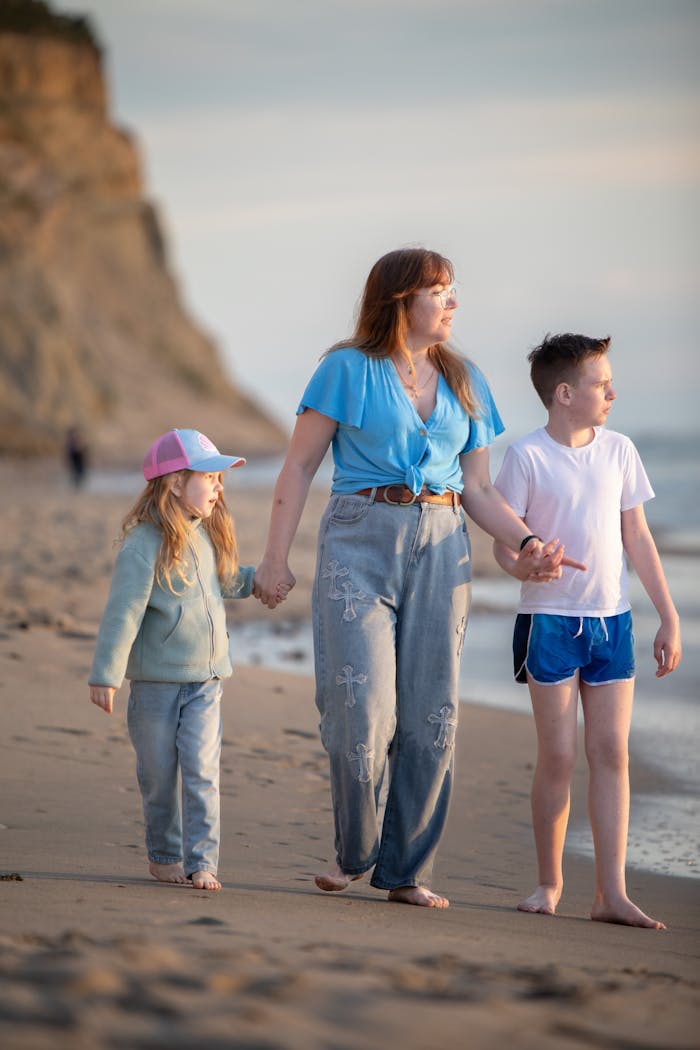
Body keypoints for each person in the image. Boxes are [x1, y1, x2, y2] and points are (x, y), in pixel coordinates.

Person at [254, 248, 577, 908]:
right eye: (440, 291)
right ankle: (356, 850)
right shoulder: (346, 369)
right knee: (359, 708)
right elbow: (297, 469)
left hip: (443, 546)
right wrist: (275, 557)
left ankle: (406, 871)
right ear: (401, 299)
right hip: (359, 539)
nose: (453, 302)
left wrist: (526, 540)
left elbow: (481, 488)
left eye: (453, 291)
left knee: (433, 715)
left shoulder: (466, 379)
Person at [493, 333, 682, 929]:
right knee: (560, 755)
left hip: (611, 621)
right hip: (547, 622)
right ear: (565, 393)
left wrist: (669, 616)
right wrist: (525, 564)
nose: (613, 393)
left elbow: (638, 537)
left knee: (611, 752)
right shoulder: (525, 457)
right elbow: (503, 543)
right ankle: (550, 883)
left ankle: (611, 893)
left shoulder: (620, 450)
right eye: (602, 384)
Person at [89, 428, 263, 891]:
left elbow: (223, 582)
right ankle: (165, 855)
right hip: (154, 687)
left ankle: (203, 861)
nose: (219, 486)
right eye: (211, 477)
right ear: (175, 483)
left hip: (206, 681)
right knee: (159, 776)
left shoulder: (205, 535)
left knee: (202, 772)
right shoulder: (142, 547)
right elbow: (122, 614)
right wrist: (106, 674)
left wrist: (258, 580)